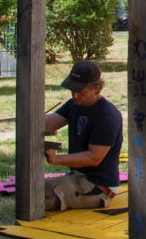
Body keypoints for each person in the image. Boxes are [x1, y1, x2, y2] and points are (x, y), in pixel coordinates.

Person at [43, 60, 123, 211]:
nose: (75, 95)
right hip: (78, 176)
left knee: (38, 195)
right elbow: (47, 124)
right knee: (33, 189)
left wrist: (57, 159)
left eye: (80, 91)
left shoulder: (107, 116)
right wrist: (34, 121)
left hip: (98, 185)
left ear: (96, 89)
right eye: (72, 90)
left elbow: (94, 158)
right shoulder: (74, 104)